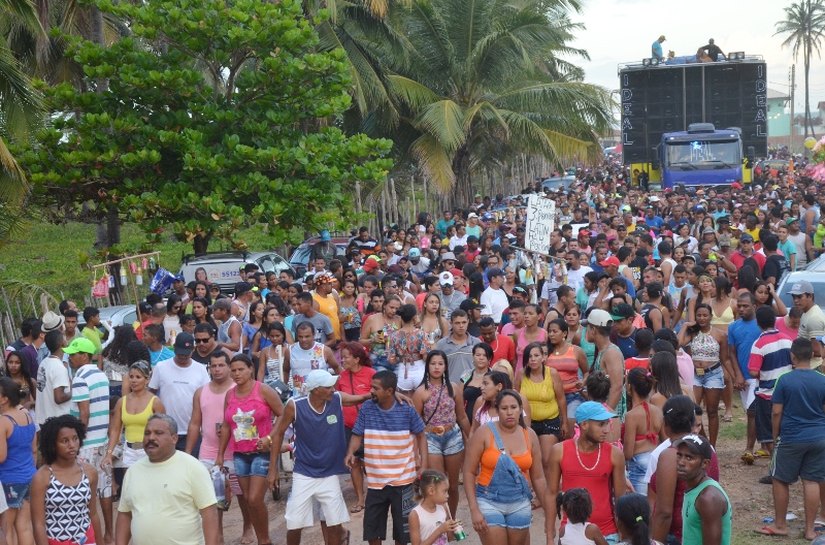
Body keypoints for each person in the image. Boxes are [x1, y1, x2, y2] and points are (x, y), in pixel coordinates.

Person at [270, 369, 374, 545]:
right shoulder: (294, 405)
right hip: (304, 472)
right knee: (294, 523)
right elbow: (279, 434)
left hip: (329, 472)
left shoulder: (337, 399)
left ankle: (340, 537)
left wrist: (388, 393)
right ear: (316, 389)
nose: (333, 389)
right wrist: (272, 470)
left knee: (333, 522)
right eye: (328, 387)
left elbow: (363, 397)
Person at [344, 370, 427, 545]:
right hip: (376, 481)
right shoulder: (367, 407)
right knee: (372, 531)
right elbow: (357, 434)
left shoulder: (407, 409)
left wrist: (423, 463)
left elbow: (421, 435)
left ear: (389, 391)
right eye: (371, 387)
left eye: (375, 388)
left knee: (403, 533)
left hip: (404, 481)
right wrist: (351, 452)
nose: (371, 391)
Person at [463, 389, 553, 545]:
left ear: (520, 410)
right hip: (488, 500)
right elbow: (469, 472)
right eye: (504, 409)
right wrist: (474, 509)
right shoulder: (484, 432)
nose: (509, 412)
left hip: (520, 501)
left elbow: (538, 478)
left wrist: (548, 512)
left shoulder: (529, 435)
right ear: (497, 410)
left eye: (513, 407)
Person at [115, 414, 219, 545]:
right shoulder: (133, 472)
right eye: (147, 433)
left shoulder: (193, 467)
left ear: (174, 438)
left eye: (158, 433)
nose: (151, 437)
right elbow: (125, 514)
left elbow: (209, 513)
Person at [760, 338, 825, 539]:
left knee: (779, 479)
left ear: (793, 356)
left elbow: (777, 412)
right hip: (819, 436)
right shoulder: (822, 379)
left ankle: (780, 525)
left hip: (791, 437)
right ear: (812, 355)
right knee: (812, 481)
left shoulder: (785, 379)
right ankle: (809, 530)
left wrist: (774, 434)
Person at [215, 354, 283, 545]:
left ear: (250, 369)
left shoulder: (263, 390)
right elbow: (227, 426)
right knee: (247, 500)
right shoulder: (230, 394)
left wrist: (270, 438)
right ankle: (263, 538)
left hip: (261, 453)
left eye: (240, 369)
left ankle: (264, 539)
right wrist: (220, 454)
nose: (236, 374)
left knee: (254, 499)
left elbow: (284, 414)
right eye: (233, 370)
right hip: (239, 454)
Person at [185, 351, 251, 545]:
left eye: (221, 365)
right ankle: (217, 534)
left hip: (235, 450)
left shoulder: (237, 389)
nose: (217, 369)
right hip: (207, 450)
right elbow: (195, 423)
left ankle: (248, 527)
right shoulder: (201, 392)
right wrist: (188, 453)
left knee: (242, 495)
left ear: (229, 367)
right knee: (211, 497)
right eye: (213, 366)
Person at [547, 401, 625, 542]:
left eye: (607, 423)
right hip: (571, 534)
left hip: (608, 534)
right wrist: (549, 535)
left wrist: (623, 536)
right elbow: (551, 494)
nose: (606, 430)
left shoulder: (615, 454)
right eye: (601, 424)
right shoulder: (559, 451)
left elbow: (620, 500)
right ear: (584, 425)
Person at [647, 396, 720, 545]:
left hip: (678, 536)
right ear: (693, 422)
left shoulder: (670, 454)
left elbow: (664, 513)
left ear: (665, 425)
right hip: (704, 532)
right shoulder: (707, 449)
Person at [413, 351, 471, 518]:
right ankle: (440, 521)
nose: (437, 367)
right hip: (430, 438)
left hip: (453, 435)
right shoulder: (420, 392)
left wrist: (472, 438)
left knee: (453, 485)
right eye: (433, 363)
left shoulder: (454, 388)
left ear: (445, 366)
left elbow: (462, 416)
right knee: (438, 484)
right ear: (427, 366)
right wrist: (416, 452)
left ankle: (450, 520)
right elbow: (416, 425)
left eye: (440, 363)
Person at [66, 337, 113, 545]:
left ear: (84, 356)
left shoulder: (79, 377)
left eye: (73, 354)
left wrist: (76, 442)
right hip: (102, 440)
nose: (69, 357)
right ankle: (109, 535)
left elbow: (83, 414)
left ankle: (92, 538)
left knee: (85, 496)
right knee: (104, 490)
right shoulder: (100, 375)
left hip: (86, 445)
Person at [31, 415, 103, 545]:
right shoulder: (42, 477)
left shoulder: (89, 472)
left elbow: (93, 514)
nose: (72, 445)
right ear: (53, 444)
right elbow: (38, 524)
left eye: (75, 439)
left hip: (87, 540)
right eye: (64, 441)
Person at [677, 304, 731, 447]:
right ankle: (703, 440)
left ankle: (711, 446)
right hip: (694, 374)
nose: (701, 318)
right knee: (693, 409)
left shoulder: (720, 335)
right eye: (699, 315)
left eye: (705, 315)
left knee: (712, 411)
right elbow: (678, 343)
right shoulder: (693, 333)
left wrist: (734, 376)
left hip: (713, 373)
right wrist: (685, 325)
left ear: (711, 317)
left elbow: (725, 358)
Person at [148, 332, 210, 452]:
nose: (182, 357)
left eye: (186, 355)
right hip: (166, 431)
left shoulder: (201, 370)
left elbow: (206, 399)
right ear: (174, 348)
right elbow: (151, 394)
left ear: (193, 350)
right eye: (180, 354)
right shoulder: (161, 367)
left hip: (192, 431)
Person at [335, 342, 376, 514]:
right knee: (354, 462)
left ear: (357, 359)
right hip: (349, 426)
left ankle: (376, 496)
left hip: (370, 426)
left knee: (372, 462)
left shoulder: (371, 374)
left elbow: (378, 397)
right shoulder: (341, 377)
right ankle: (360, 498)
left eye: (346, 357)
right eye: (342, 357)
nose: (342, 360)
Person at [516, 341, 567, 478]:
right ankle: (535, 491)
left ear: (543, 357)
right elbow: (515, 397)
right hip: (527, 423)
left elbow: (561, 398)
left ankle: (549, 492)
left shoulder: (553, 374)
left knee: (546, 460)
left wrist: (565, 422)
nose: (532, 359)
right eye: (529, 356)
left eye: (536, 355)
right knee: (529, 460)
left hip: (549, 421)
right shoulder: (521, 374)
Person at [104, 361, 165, 471]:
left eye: (138, 377)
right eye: (131, 377)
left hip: (149, 450)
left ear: (147, 380)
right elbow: (115, 430)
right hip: (129, 451)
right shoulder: (122, 402)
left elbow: (163, 430)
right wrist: (109, 454)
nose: (134, 380)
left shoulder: (155, 402)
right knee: (129, 484)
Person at [675, 434, 732, 545]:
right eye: (679, 455)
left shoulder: (708, 499)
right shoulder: (694, 488)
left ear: (705, 463)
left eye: (689, 458)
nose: (681, 462)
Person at [0, 377, 35, 545]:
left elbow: (1, 456)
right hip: (29, 476)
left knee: (7, 528)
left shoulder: (3, 421)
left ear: (4, 398)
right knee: (24, 526)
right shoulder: (26, 414)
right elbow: (34, 447)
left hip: (9, 480)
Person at [726, 293, 761, 459]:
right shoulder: (733, 327)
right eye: (739, 305)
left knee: (753, 413)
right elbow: (731, 353)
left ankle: (749, 448)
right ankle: (764, 445)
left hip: (759, 377)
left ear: (754, 306)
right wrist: (737, 375)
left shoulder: (761, 325)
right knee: (751, 412)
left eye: (745, 306)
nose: (741, 309)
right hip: (743, 376)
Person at [623, 368, 663, 496]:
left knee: (640, 507)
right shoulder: (657, 411)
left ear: (629, 387)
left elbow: (628, 453)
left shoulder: (631, 415)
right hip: (655, 461)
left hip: (638, 463)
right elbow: (664, 439)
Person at [545, 318, 588, 426]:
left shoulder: (576, 350)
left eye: (555, 331)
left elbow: (586, 372)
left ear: (564, 333)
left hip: (573, 394)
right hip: (551, 395)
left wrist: (583, 382)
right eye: (549, 331)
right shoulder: (545, 351)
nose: (551, 334)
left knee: (570, 421)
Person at [408, 469, 460, 545]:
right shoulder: (415, 515)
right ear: (431, 491)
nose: (448, 495)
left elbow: (448, 538)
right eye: (444, 491)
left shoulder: (443, 508)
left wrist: (454, 528)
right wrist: (440, 530)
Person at [387, 304, 428, 393]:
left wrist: (401, 357)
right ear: (414, 317)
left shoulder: (393, 336)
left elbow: (391, 360)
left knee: (405, 404)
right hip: (420, 371)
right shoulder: (422, 334)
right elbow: (425, 357)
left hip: (403, 372)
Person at [35, 331, 72, 426]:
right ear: (61, 343)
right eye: (64, 338)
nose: (66, 339)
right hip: (57, 421)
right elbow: (59, 398)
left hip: (44, 420)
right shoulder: (58, 367)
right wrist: (73, 391)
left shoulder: (44, 363)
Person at [434, 310, 480, 381]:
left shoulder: (477, 343)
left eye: (464, 322)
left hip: (471, 387)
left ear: (468, 322)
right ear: (451, 323)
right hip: (450, 386)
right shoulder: (441, 344)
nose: (461, 326)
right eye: (457, 323)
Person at [790, 280, 825, 370]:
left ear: (810, 296)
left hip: (814, 367)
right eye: (793, 297)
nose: (795, 300)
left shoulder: (814, 318)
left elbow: (817, 351)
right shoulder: (806, 312)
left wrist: (799, 358)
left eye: (799, 297)